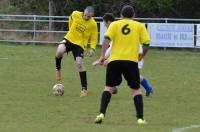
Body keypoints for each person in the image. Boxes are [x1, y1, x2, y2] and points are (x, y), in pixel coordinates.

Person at [94, 5, 150, 124]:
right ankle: (140, 118)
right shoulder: (139, 26)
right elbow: (146, 43)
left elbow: (106, 41)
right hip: (131, 61)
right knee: (136, 90)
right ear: (133, 15)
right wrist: (142, 55)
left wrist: (103, 56)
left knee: (108, 88)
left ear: (121, 15)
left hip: (115, 61)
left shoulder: (114, 25)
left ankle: (101, 114)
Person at [92, 13, 153, 96]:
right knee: (129, 73)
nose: (104, 26)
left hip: (132, 55)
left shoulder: (116, 28)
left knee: (131, 74)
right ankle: (114, 86)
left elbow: (110, 49)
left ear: (108, 21)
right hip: (129, 55)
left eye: (104, 23)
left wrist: (101, 59)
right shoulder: (119, 26)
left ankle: (113, 87)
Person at [55, 6, 98, 97]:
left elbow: (94, 38)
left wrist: (92, 48)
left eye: (89, 17)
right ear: (83, 12)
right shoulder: (75, 14)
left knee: (79, 64)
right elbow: (70, 19)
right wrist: (71, 30)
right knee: (59, 51)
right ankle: (58, 70)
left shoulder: (93, 24)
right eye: (85, 15)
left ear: (92, 16)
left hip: (80, 44)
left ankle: (84, 89)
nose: (86, 18)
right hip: (69, 39)